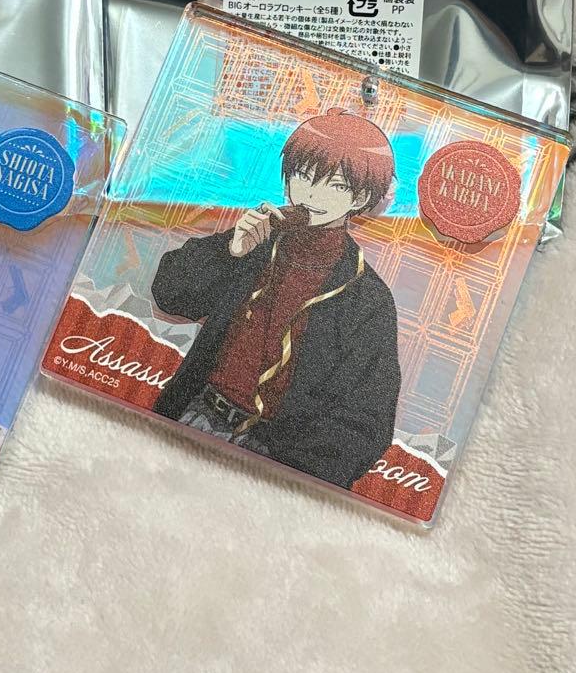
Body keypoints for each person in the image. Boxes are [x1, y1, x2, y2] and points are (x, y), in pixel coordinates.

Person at [151, 108, 400, 489]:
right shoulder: (255, 243)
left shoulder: (367, 298)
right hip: (194, 415)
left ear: (362, 196)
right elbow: (169, 294)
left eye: (335, 185)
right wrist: (228, 252)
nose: (311, 194)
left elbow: (365, 418)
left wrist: (294, 478)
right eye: (303, 176)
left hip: (279, 461)